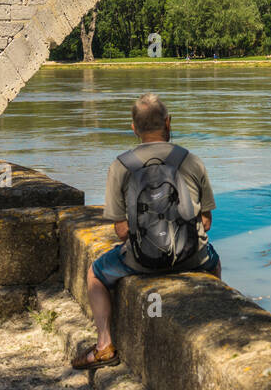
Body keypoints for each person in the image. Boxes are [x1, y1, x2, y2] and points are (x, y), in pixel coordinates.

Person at [73, 94, 221, 370]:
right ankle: (216, 323)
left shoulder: (120, 166)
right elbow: (206, 223)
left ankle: (104, 345)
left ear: (134, 128)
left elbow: (120, 232)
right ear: (168, 122)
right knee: (214, 259)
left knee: (95, 274)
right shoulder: (191, 161)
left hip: (142, 262)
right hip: (191, 258)